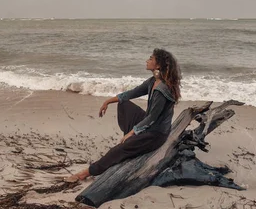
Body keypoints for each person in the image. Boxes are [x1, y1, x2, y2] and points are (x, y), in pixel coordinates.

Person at [64, 48, 181, 182]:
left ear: (158, 65)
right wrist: (108, 101)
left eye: (150, 59)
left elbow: (152, 118)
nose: (147, 60)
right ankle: (130, 143)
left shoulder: (161, 90)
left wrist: (132, 132)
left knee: (117, 151)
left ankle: (85, 173)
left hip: (156, 134)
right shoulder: (153, 81)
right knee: (124, 104)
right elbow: (132, 93)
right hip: (149, 126)